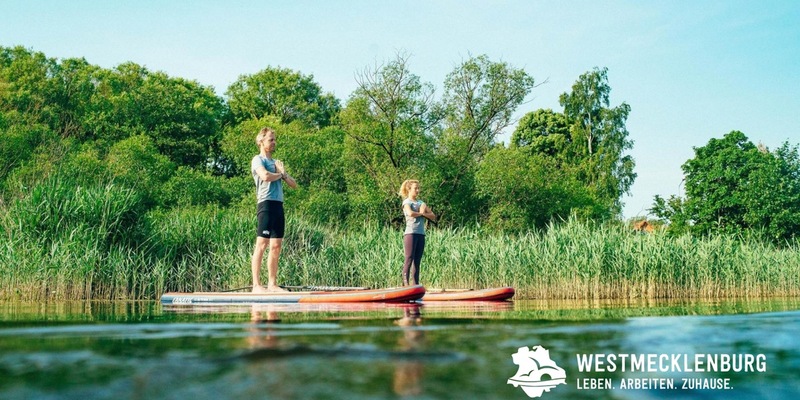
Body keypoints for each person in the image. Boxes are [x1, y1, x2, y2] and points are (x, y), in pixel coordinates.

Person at [250, 127, 297, 293]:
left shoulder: (277, 163)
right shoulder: (258, 159)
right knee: (262, 243)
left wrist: (283, 174)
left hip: (278, 204)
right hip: (266, 204)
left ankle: (272, 284)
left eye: (274, 139)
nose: (274, 142)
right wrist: (280, 174)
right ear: (261, 142)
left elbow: (293, 184)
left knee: (276, 245)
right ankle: (256, 285)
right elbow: (265, 176)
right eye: (271, 139)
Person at [398, 179, 436, 286]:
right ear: (409, 189)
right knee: (409, 258)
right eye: (416, 188)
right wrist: (422, 212)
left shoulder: (421, 203)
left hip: (421, 234)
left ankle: (415, 285)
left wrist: (423, 212)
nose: (418, 190)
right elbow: (410, 213)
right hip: (410, 233)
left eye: (418, 188)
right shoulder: (406, 202)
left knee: (417, 261)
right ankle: (405, 285)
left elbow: (432, 216)